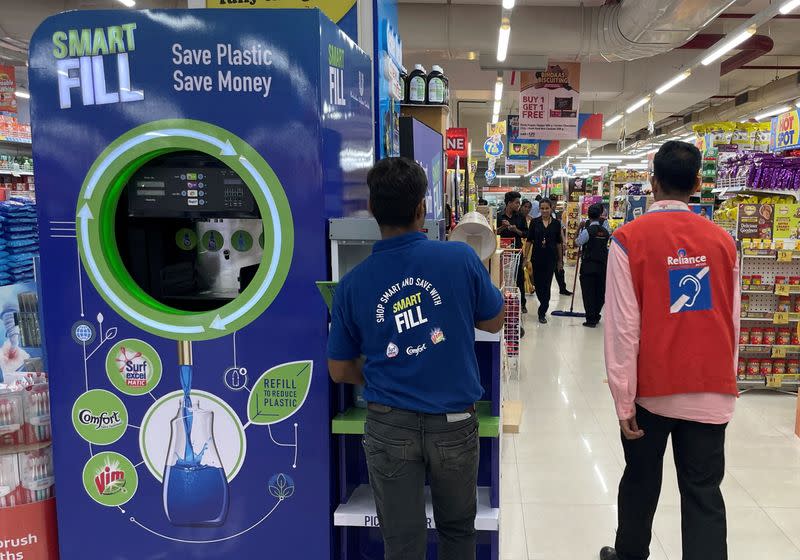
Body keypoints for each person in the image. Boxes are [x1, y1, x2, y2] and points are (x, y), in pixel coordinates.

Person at [327, 157, 505, 560]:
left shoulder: (352, 284)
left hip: (389, 424)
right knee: (458, 532)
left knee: (401, 542)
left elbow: (338, 369)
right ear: (422, 209)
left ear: (371, 210)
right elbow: (494, 321)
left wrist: (380, 371)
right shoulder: (459, 259)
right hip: (455, 424)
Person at [600, 141, 739, 560]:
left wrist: (623, 400)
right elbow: (732, 320)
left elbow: (624, 328)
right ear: (698, 183)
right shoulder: (724, 241)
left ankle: (628, 556)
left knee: (641, 482)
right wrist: (726, 384)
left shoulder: (627, 240)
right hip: (710, 388)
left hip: (652, 392)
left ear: (652, 182)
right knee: (703, 494)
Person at [527, 198, 564, 323]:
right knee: (538, 284)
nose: (544, 211)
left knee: (547, 285)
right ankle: (543, 303)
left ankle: (542, 311)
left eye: (546, 208)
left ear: (551, 208)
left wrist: (560, 260)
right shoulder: (534, 222)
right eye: (542, 208)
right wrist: (525, 258)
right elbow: (529, 241)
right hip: (537, 258)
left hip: (551, 259)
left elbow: (559, 243)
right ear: (539, 209)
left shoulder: (556, 224)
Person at [576, 203, 610, 328]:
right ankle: (596, 314)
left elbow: (577, 243)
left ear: (589, 215)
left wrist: (578, 229)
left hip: (588, 265)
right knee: (600, 291)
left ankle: (591, 318)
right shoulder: (606, 231)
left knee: (588, 292)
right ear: (600, 215)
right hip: (603, 265)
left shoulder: (587, 231)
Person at [497, 191, 529, 313]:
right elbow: (494, 233)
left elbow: (526, 234)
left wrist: (516, 230)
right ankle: (503, 302)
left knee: (519, 277)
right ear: (509, 203)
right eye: (516, 202)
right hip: (502, 252)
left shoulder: (520, 217)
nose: (518, 205)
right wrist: (502, 227)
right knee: (502, 277)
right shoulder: (499, 216)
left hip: (516, 252)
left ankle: (522, 304)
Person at [520, 199, 535, 295]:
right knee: (522, 264)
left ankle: (530, 285)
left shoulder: (532, 219)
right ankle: (527, 287)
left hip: (530, 245)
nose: (527, 209)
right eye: (525, 206)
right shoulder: (518, 218)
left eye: (529, 207)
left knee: (529, 265)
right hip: (521, 243)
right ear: (521, 207)